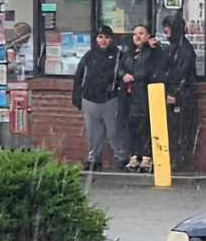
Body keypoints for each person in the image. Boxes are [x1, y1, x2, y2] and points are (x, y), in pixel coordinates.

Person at [71, 25, 131, 171]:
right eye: (100, 37)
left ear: (112, 39)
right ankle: (93, 160)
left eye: (106, 37)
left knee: (114, 132)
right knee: (93, 132)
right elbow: (79, 76)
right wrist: (77, 96)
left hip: (110, 98)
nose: (103, 40)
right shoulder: (89, 55)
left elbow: (123, 73)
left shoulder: (118, 55)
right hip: (89, 98)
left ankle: (121, 159)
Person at [122, 24, 166, 173]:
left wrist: (135, 77)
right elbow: (120, 67)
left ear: (148, 36)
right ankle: (134, 155)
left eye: (141, 33)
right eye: (135, 34)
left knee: (145, 126)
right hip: (130, 96)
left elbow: (153, 70)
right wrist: (123, 75)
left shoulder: (152, 53)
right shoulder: (128, 53)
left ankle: (147, 157)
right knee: (132, 127)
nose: (137, 37)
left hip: (145, 94)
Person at [162, 14, 199, 172]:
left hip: (181, 95)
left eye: (168, 27)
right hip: (180, 93)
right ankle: (176, 160)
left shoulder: (182, 48)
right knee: (176, 129)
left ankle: (179, 161)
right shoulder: (177, 46)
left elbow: (182, 73)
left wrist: (175, 93)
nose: (165, 30)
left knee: (179, 129)